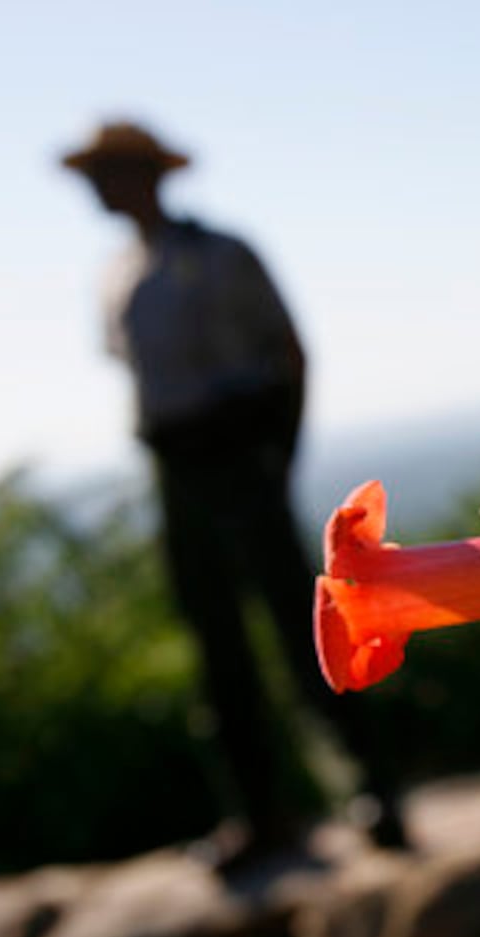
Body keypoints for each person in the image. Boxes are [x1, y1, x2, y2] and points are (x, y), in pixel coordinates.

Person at [60, 120, 406, 865]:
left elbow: (288, 352)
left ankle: (369, 792)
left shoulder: (222, 255)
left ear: (147, 175)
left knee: (306, 628)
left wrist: (275, 456)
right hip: (175, 468)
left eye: (108, 172)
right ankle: (259, 817)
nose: (95, 188)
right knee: (216, 644)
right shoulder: (116, 271)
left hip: (241, 455)